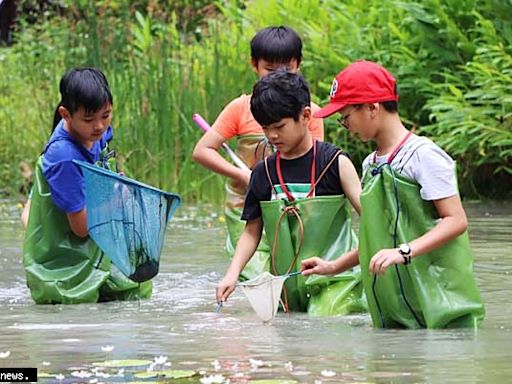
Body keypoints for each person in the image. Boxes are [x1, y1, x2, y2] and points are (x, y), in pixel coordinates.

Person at [301, 60, 485, 328]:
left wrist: (404, 251)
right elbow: (378, 237)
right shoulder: (370, 164)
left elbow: (456, 221)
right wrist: (333, 267)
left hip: (440, 300)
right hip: (397, 304)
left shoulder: (424, 156)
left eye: (346, 116)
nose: (344, 125)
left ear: (372, 108)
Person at [216, 70, 366, 316]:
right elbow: (252, 231)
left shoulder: (335, 163)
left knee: (324, 324)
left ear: (305, 116)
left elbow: (371, 220)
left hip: (338, 280)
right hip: (287, 286)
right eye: (265, 128)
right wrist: (232, 275)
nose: (272, 136)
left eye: (279, 126)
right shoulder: (262, 173)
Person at [193, 26, 324, 281]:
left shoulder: (308, 113)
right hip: (244, 206)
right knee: (256, 274)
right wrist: (244, 177)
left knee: (293, 275)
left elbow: (316, 165)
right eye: (270, 70)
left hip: (291, 205)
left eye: (287, 69)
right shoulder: (241, 108)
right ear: (255, 65)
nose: (278, 76)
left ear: (298, 64)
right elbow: (202, 150)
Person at [23, 67, 152, 304]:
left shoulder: (94, 134)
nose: (100, 126)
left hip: (96, 249)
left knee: (138, 292)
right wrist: (116, 199)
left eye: (106, 115)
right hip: (67, 271)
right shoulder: (64, 157)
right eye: (89, 119)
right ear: (66, 114)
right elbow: (80, 227)